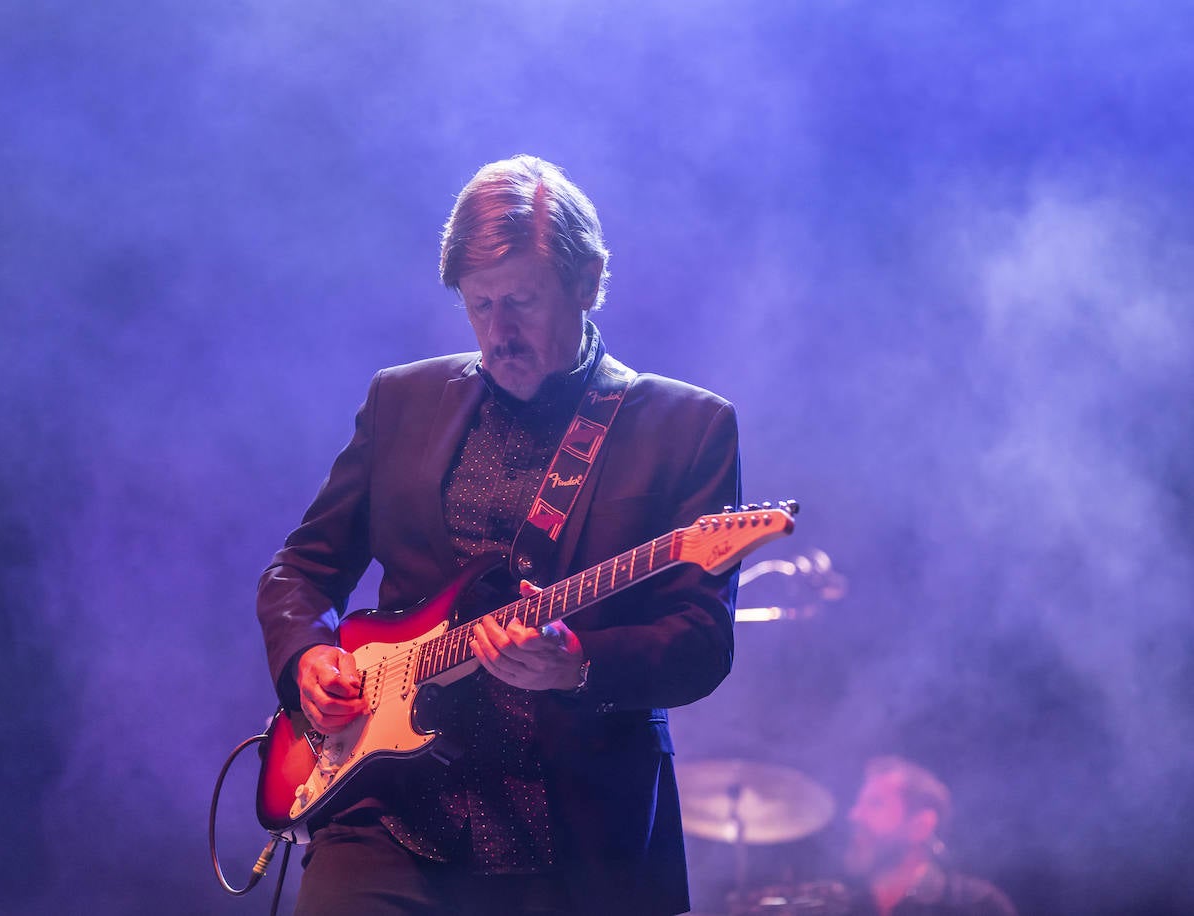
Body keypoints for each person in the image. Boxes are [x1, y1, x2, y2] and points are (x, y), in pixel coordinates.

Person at [256, 154, 741, 915]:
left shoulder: (686, 427)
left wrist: (576, 663)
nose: (498, 334)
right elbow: (301, 570)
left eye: (520, 301)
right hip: (388, 810)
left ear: (587, 282)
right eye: (479, 306)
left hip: (575, 839)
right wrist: (309, 655)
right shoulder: (401, 399)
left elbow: (702, 643)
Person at [843, 757, 1017, 916]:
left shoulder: (977, 906)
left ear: (921, 825)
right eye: (859, 804)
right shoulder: (844, 908)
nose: (855, 815)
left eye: (875, 804)